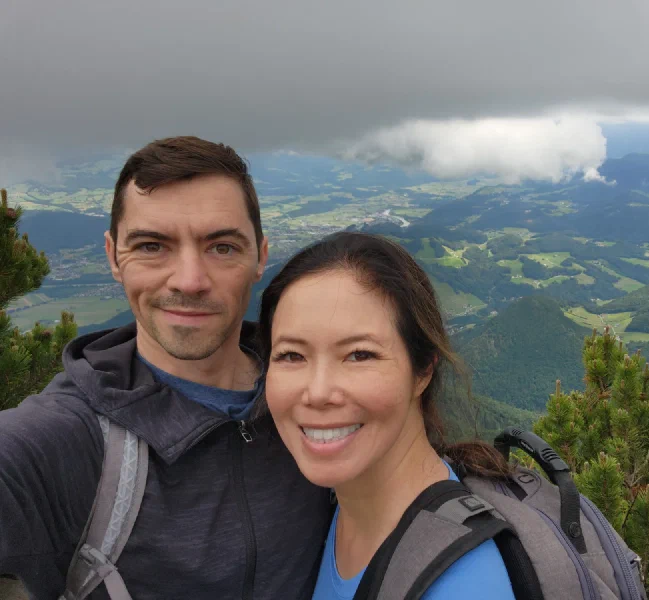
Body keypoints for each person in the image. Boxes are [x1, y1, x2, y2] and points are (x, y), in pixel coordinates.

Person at [0, 137, 331, 599]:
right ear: (114, 256)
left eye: (222, 247)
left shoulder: (319, 401)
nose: (190, 281)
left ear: (260, 255)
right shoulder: (60, 443)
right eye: (153, 246)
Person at [257, 231, 516, 599]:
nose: (317, 393)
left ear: (423, 369)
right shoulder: (342, 505)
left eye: (359, 355)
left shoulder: (460, 585)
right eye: (291, 355)